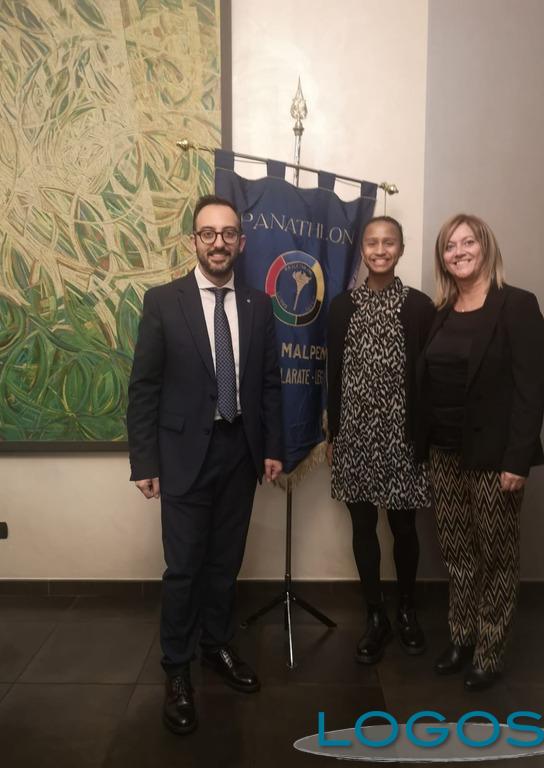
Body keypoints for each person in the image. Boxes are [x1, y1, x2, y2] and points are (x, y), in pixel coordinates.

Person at [127, 194, 283, 734]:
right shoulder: (163, 302)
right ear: (194, 240)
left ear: (241, 241)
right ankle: (176, 669)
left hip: (241, 453)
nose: (219, 243)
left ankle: (216, 646)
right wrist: (144, 460)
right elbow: (144, 387)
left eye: (228, 233)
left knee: (224, 564)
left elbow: (269, 384)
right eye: (208, 233)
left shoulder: (260, 305)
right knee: (184, 568)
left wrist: (273, 447)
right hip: (183, 455)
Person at [419, 213, 544, 691]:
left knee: (496, 557)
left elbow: (531, 389)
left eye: (467, 242)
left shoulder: (517, 305)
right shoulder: (442, 311)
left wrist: (517, 459)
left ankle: (489, 652)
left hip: (495, 457)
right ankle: (461, 637)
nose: (459, 252)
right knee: (457, 554)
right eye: (450, 246)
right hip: (444, 453)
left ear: (485, 246)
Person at [326, 215, 435, 664]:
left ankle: (406, 609)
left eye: (389, 242)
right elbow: (333, 373)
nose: (380, 250)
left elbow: (428, 377)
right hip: (354, 434)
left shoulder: (420, 307)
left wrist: (423, 436)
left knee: (404, 528)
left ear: (401, 249)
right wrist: (333, 432)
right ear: (363, 250)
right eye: (372, 243)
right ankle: (375, 614)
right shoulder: (341, 307)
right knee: (362, 527)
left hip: (401, 436)